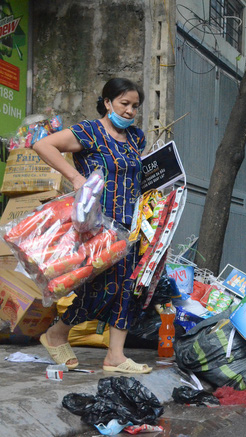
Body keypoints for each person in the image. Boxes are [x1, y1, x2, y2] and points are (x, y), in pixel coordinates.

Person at [32, 78, 152, 373]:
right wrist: (74, 177)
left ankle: (116, 356)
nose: (129, 111)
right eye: (124, 103)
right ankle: (57, 333)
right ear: (108, 102)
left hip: (131, 225)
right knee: (102, 288)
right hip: (98, 224)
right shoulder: (89, 131)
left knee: (128, 288)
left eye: (135, 106)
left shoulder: (136, 138)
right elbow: (42, 145)